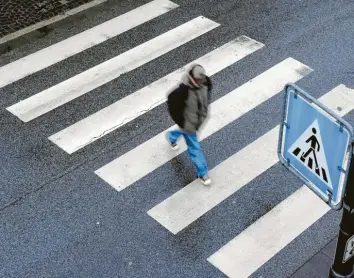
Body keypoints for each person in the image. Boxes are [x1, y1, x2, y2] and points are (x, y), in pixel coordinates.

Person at [166, 64, 212, 185]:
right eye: (198, 80)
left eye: (201, 80)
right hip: (188, 125)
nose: (200, 82)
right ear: (191, 78)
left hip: (197, 122)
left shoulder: (206, 84)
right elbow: (171, 103)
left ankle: (171, 136)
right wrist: (181, 121)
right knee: (195, 148)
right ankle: (203, 173)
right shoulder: (183, 90)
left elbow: (206, 100)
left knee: (182, 132)